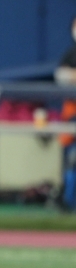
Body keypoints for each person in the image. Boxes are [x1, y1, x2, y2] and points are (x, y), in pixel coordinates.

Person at [54, 15, 76, 212]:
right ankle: (68, 203)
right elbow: (61, 77)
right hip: (72, 115)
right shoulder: (70, 54)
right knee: (71, 160)